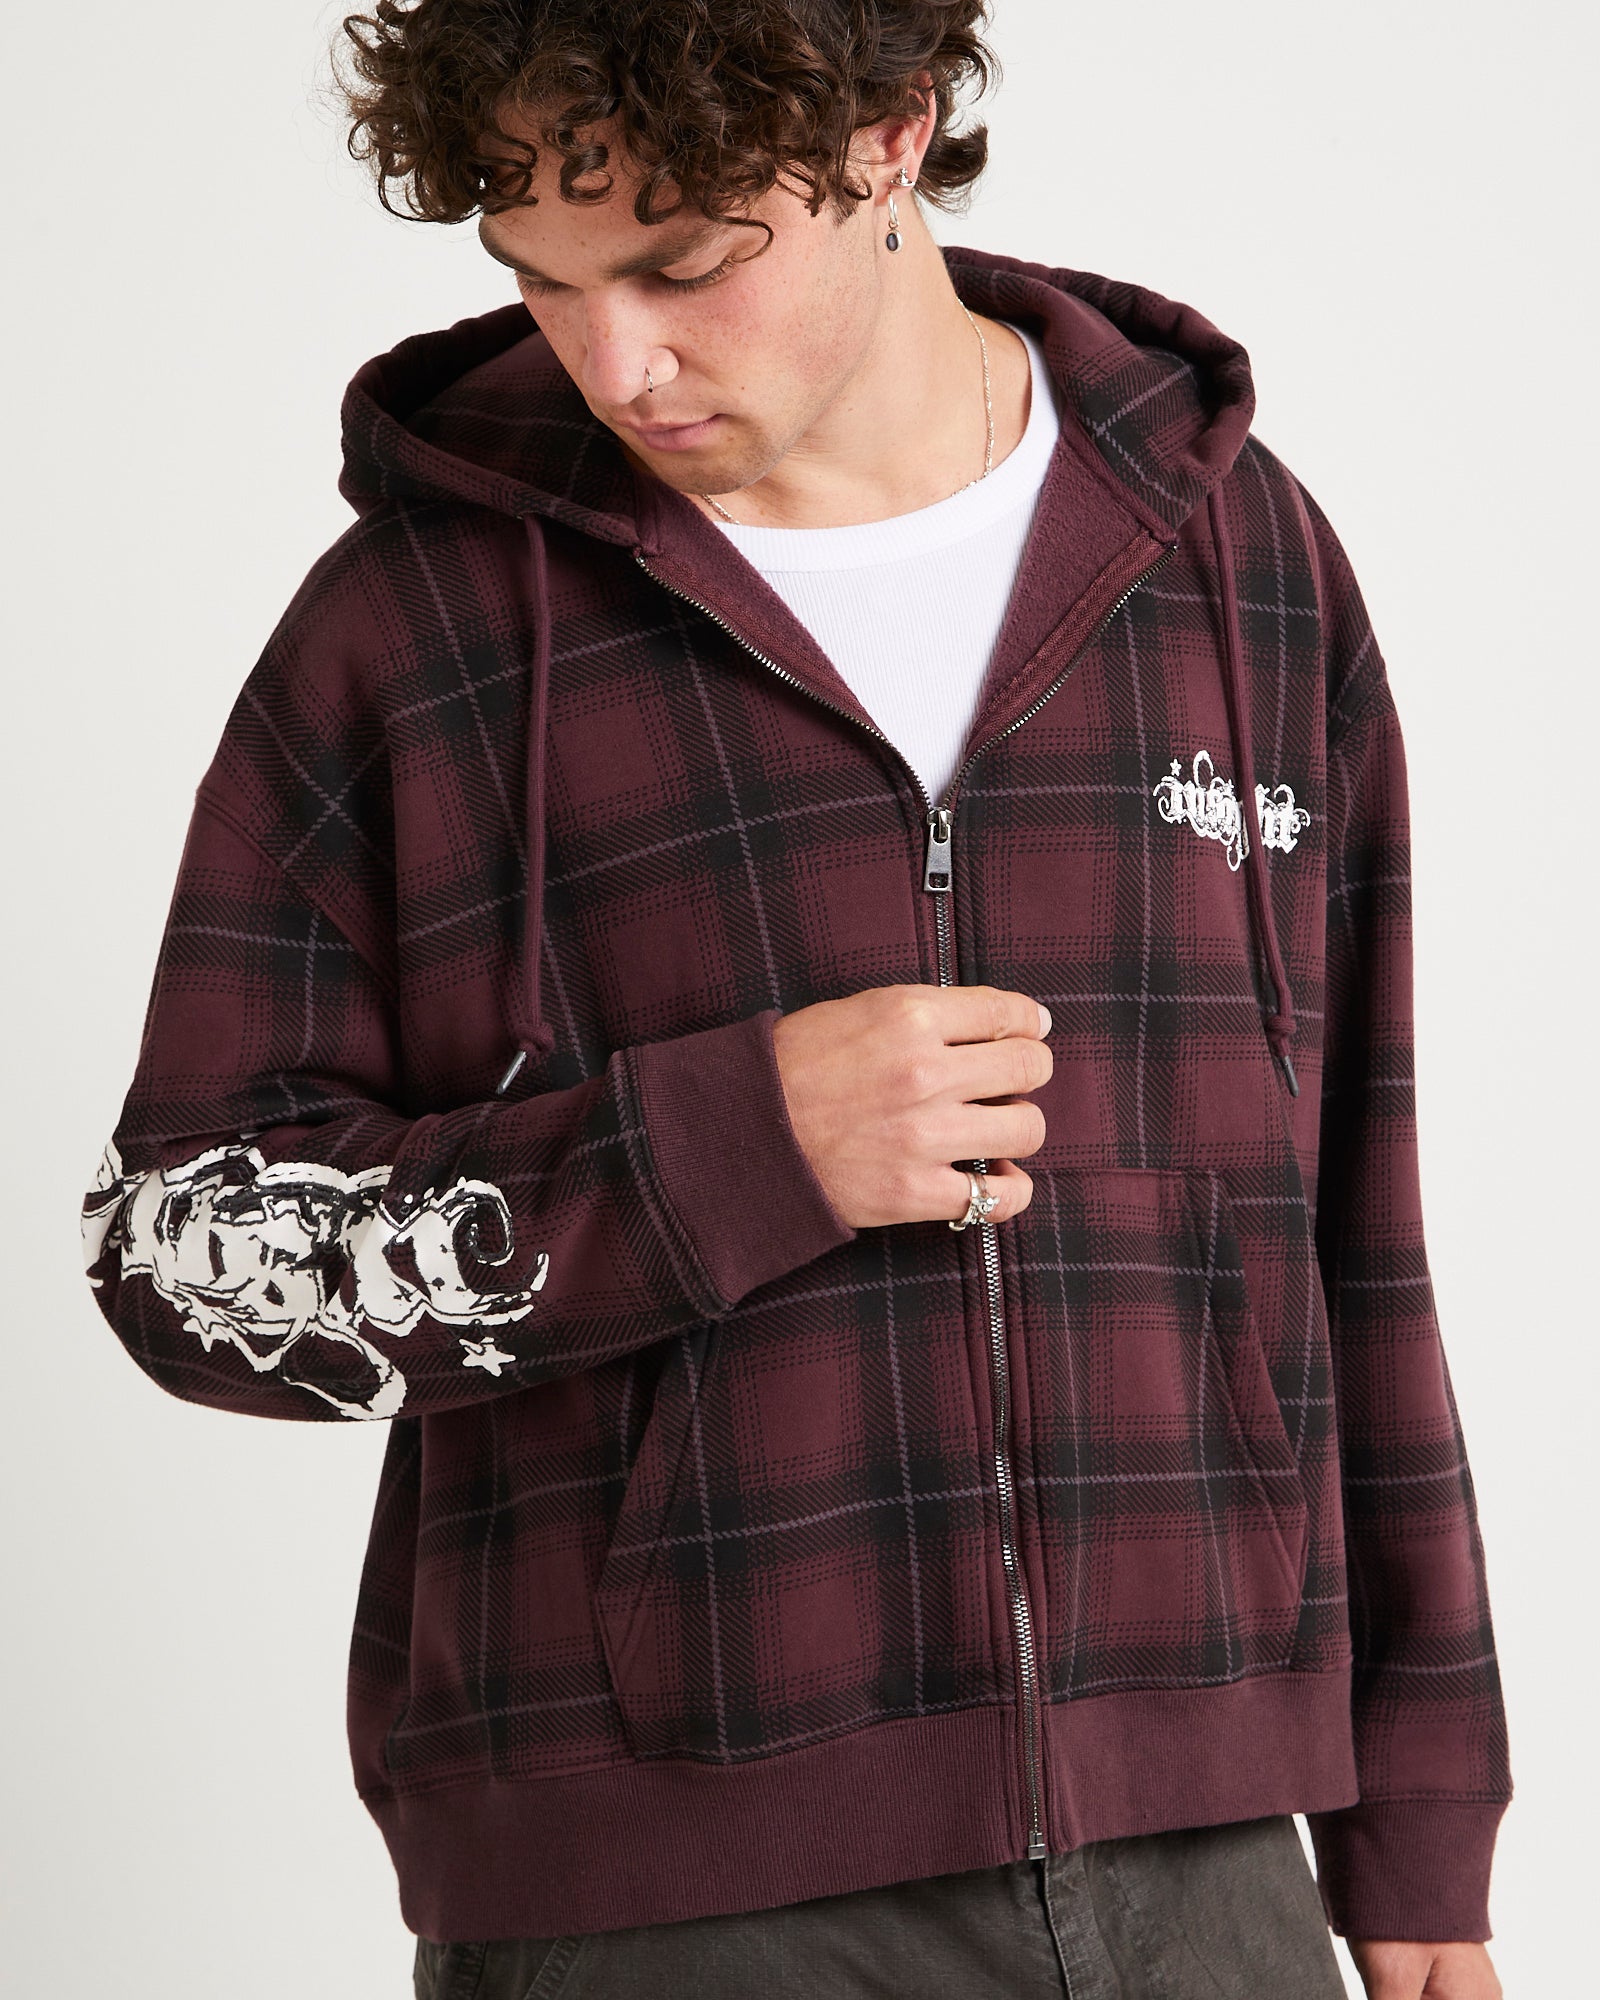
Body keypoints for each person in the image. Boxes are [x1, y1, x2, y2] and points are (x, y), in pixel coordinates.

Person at [79, 2, 1511, 1995]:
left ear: (888, 134)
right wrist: (720, 1155)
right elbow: (177, 1255)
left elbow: (1353, 1210)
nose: (612, 362)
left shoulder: (1234, 558)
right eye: (541, 274)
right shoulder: (417, 624)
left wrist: (1419, 1817)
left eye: (682, 267)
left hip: (1209, 1869)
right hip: (661, 1895)